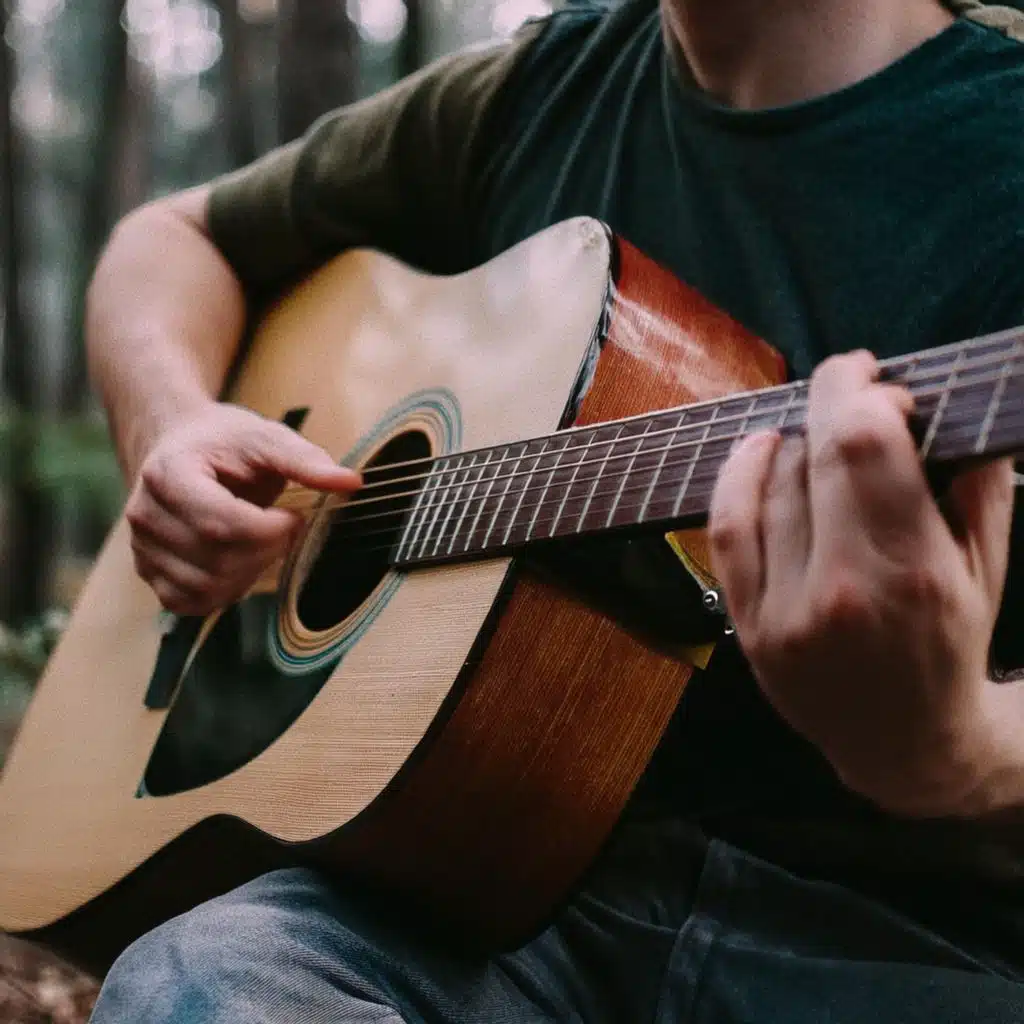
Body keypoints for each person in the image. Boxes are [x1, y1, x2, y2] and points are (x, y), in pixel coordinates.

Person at [84, 0, 1024, 1020]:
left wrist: (964, 752)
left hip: (920, 949)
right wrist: (170, 429)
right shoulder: (529, 95)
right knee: (203, 985)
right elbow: (171, 237)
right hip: (495, 904)